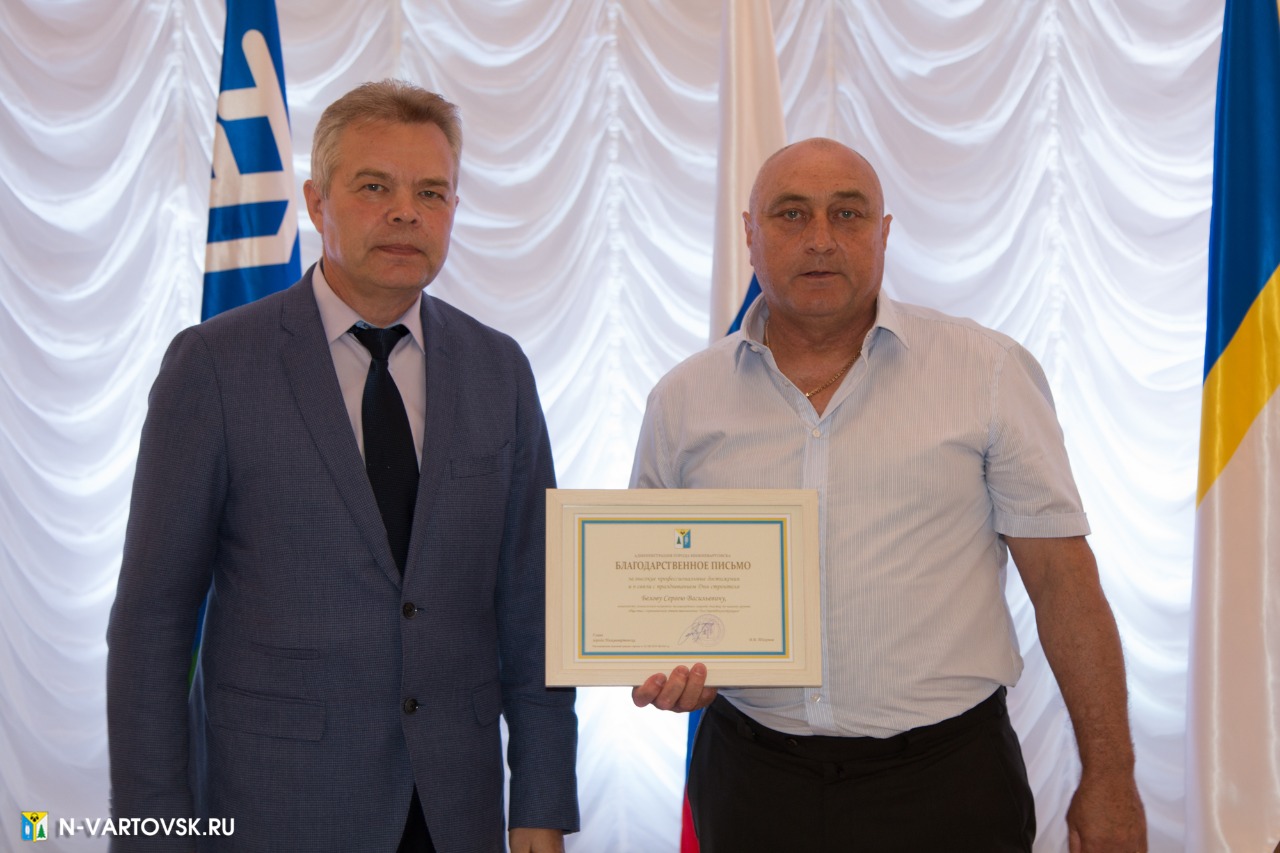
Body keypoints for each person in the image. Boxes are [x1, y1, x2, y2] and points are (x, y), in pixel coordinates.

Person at [630, 138, 1146, 852]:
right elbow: (653, 587)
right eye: (791, 213)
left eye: (847, 213)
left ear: (884, 232)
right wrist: (668, 664)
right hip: (751, 780)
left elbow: (1063, 582)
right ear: (750, 233)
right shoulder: (683, 399)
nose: (820, 238)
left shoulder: (987, 372)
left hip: (947, 783)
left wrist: (1110, 774)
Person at [107, 80, 578, 853]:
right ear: (316, 201)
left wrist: (542, 800)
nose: (406, 212)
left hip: (456, 809)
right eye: (374, 187)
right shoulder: (215, 366)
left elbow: (536, 609)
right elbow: (152, 624)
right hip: (278, 807)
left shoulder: (499, 371)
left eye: (431, 192)